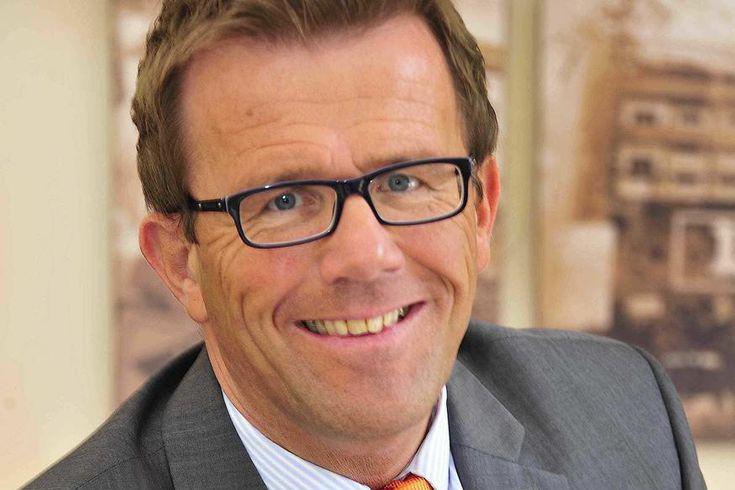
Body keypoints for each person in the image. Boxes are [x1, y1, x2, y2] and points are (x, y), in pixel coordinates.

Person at [27, 1, 705, 489]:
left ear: (481, 211)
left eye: (405, 181)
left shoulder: (627, 413)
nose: (365, 257)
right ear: (182, 264)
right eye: (283, 200)